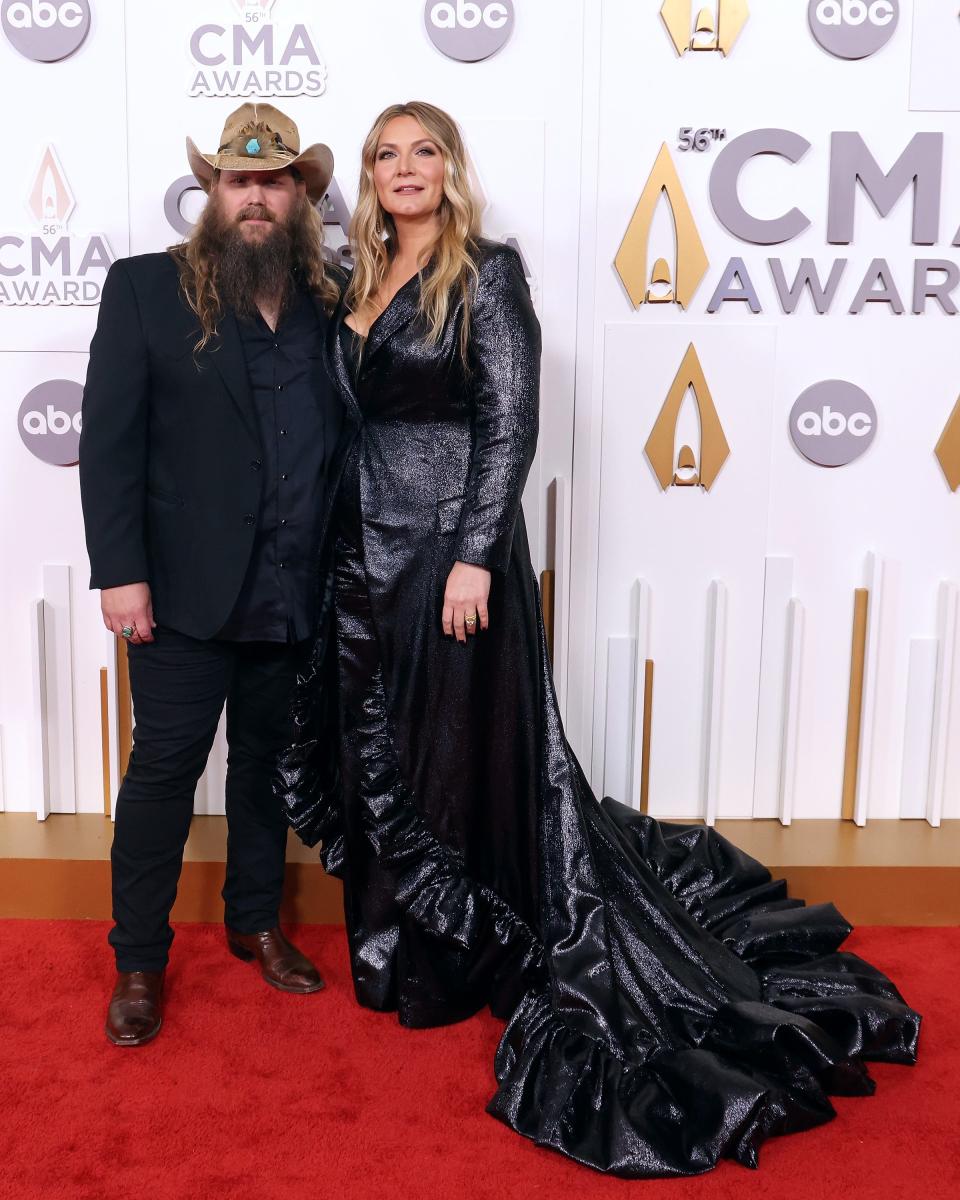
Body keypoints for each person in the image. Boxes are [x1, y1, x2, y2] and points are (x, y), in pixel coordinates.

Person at [278, 101, 921, 1178]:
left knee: (446, 760)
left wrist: (480, 552)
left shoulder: (486, 274)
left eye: (421, 151)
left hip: (447, 556)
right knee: (372, 749)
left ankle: (448, 968)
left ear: (451, 168)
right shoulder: (355, 280)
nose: (402, 169)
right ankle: (389, 958)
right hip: (361, 556)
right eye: (384, 155)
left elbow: (511, 418)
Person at [80, 103, 343, 1047]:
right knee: (163, 772)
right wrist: (121, 573)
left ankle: (256, 922)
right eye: (240, 180)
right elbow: (108, 443)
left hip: (291, 585)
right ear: (213, 192)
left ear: (302, 196)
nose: (257, 197)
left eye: (275, 182)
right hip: (181, 590)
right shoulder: (147, 289)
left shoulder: (330, 302)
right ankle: (139, 962)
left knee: (266, 769)